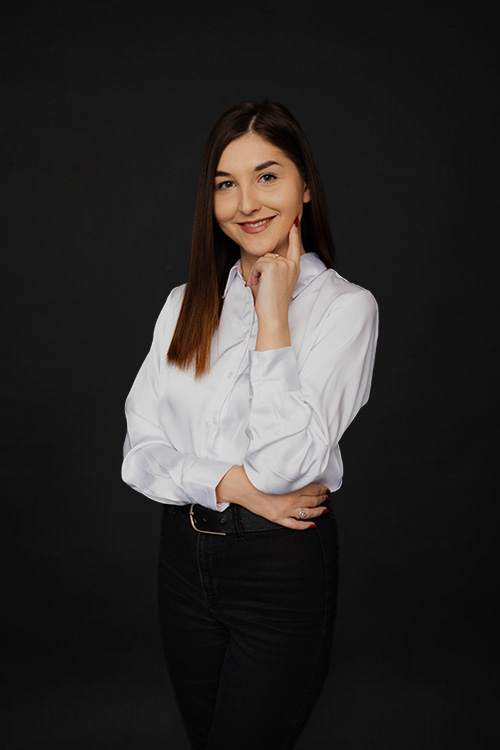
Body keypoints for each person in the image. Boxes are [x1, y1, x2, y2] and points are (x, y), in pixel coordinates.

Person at [121, 99, 378, 750]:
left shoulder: (346, 309)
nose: (246, 203)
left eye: (267, 176)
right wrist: (236, 487)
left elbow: (285, 468)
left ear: (305, 186)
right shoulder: (183, 306)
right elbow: (139, 454)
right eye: (225, 184)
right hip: (182, 562)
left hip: (279, 569)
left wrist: (273, 317)